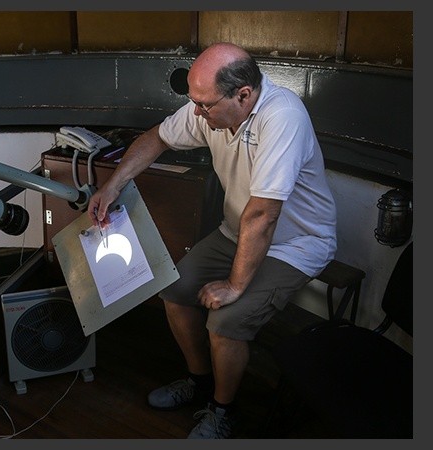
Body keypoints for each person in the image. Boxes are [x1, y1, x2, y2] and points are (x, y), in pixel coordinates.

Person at [87, 42, 337, 439]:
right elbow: (157, 138)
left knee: (225, 321)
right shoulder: (210, 108)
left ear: (244, 95)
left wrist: (235, 285)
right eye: (194, 103)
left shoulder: (283, 117)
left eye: (204, 105)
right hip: (240, 231)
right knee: (175, 289)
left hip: (296, 243)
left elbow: (264, 214)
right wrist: (113, 185)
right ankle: (200, 383)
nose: (197, 114)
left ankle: (223, 412)